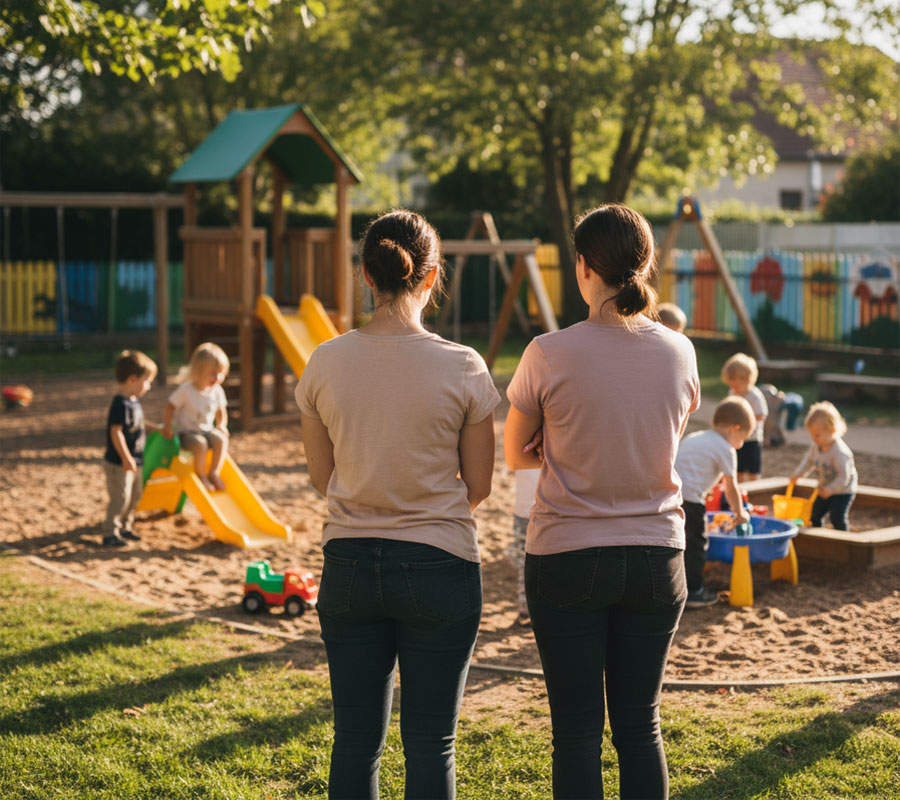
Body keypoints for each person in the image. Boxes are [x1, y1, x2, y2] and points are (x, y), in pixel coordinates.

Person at [295, 209, 499, 800]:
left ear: (366, 273)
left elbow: (323, 477)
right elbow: (479, 485)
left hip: (349, 565)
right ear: (432, 277)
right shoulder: (464, 364)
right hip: (440, 564)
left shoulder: (325, 360)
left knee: (355, 742)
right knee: (432, 743)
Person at [504, 204, 700, 800]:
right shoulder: (680, 351)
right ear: (646, 265)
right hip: (657, 556)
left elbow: (515, 455)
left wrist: (557, 443)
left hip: (566, 554)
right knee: (641, 727)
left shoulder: (547, 351)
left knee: (577, 732)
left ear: (584, 267)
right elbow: (662, 442)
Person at [675, 396, 756, 608]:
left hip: (671, 496)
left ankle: (674, 585)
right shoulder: (725, 448)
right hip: (691, 500)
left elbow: (691, 467)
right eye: (743, 438)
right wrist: (740, 514)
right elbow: (731, 486)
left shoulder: (696, 437)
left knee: (677, 543)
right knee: (696, 545)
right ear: (734, 428)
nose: (741, 444)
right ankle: (694, 591)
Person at [102, 350, 157, 547]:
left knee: (135, 496)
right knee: (120, 498)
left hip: (136, 459)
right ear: (133, 379)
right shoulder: (120, 404)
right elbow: (115, 432)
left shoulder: (134, 402)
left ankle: (126, 527)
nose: (148, 386)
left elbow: (138, 424)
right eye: (146, 381)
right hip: (120, 463)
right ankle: (110, 533)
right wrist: (126, 458)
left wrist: (157, 428)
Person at [162, 342, 230, 492]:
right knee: (200, 443)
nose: (217, 378)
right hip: (185, 433)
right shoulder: (186, 390)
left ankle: (214, 473)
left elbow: (221, 411)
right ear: (199, 371)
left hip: (206, 430)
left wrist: (221, 425)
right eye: (212, 374)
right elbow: (169, 406)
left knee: (221, 439)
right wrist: (167, 425)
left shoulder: (217, 390)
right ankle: (201, 476)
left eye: (221, 374)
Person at [790, 401, 858, 531]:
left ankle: (844, 538)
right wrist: (799, 473)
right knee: (814, 515)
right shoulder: (816, 446)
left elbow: (844, 477)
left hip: (842, 491)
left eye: (817, 435)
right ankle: (818, 536)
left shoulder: (840, 452)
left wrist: (831, 489)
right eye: (812, 435)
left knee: (837, 518)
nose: (813, 439)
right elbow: (808, 461)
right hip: (823, 488)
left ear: (832, 430)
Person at [721, 353, 767, 482]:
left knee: (753, 470)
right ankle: (739, 488)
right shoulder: (732, 393)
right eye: (731, 386)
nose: (733, 389)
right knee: (737, 469)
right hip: (736, 437)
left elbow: (761, 415)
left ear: (747, 380)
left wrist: (745, 420)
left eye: (736, 386)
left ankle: (755, 488)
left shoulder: (754, 396)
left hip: (752, 439)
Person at [507, 467, 539, 626]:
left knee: (523, 560)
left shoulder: (521, 452)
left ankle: (525, 606)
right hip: (549, 509)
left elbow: (510, 468)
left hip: (523, 510)